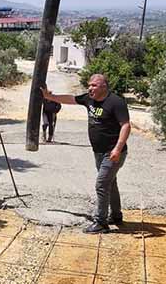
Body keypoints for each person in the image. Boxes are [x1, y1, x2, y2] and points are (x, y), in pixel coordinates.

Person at [41, 74, 131, 234]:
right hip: (98, 152)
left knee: (102, 184)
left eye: (94, 85)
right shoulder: (89, 99)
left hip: (114, 152)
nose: (90, 88)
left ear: (104, 86)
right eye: (89, 85)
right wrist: (51, 97)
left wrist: (117, 148)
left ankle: (101, 222)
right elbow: (71, 99)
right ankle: (116, 216)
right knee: (111, 182)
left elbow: (125, 126)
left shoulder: (116, 102)